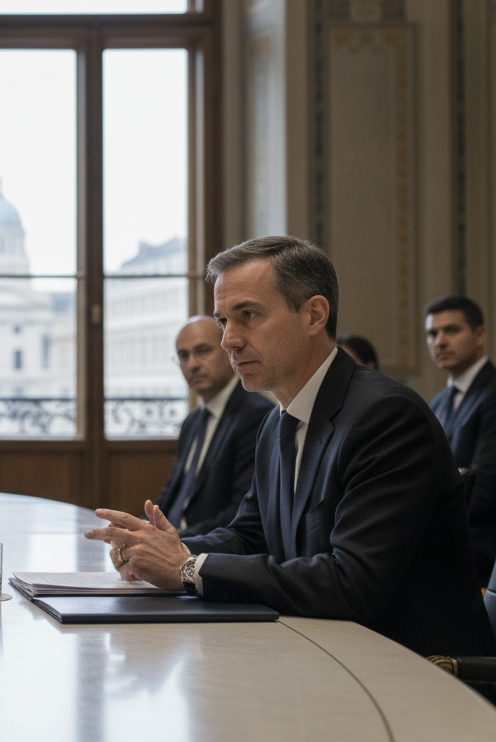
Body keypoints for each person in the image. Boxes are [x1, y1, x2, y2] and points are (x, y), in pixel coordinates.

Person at [85, 236, 494, 658]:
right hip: (325, 649)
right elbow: (250, 535)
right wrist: (164, 549)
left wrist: (187, 568)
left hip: (415, 669)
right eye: (224, 321)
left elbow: (353, 582)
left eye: (248, 315)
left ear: (314, 315)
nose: (229, 340)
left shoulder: (385, 416)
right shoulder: (277, 420)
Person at [154, 316, 273, 536]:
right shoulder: (192, 421)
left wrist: (174, 540)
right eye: (183, 356)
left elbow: (241, 512)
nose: (192, 365)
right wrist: (140, 527)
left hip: (209, 548)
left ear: (229, 352)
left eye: (203, 351)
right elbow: (172, 493)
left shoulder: (256, 415)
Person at [425, 295, 496, 584]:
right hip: (447, 546)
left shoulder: (492, 393)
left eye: (451, 330)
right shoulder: (438, 401)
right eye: (432, 333)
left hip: (480, 553)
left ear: (480, 335)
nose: (440, 341)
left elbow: (485, 487)